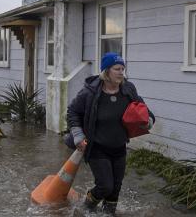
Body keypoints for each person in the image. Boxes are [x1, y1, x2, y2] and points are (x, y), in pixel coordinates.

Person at [66, 52, 155, 214]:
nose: (121, 72)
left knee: (115, 188)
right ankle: (86, 207)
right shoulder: (90, 92)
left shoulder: (128, 89)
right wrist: (78, 134)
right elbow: (72, 111)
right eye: (117, 69)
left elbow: (141, 106)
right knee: (106, 186)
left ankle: (108, 213)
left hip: (119, 146)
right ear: (106, 71)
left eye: (123, 68)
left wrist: (149, 119)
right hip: (97, 147)